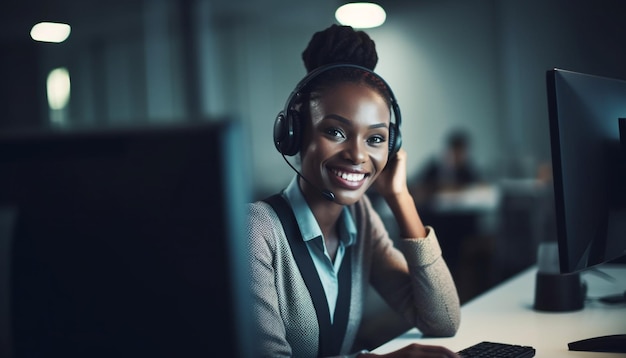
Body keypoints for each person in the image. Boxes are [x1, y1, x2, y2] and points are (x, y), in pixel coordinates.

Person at [246, 24, 461, 358]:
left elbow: (443, 319)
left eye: (375, 139)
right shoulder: (256, 230)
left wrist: (399, 197)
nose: (358, 156)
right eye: (335, 131)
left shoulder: (360, 220)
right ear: (294, 133)